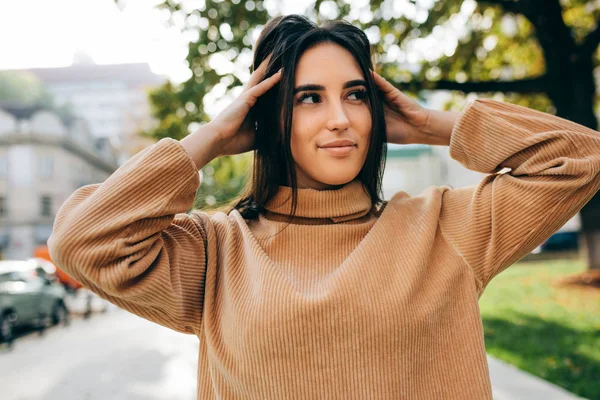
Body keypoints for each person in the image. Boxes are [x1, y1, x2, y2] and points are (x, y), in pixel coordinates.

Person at [47, 14, 600, 400]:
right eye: (309, 98)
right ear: (266, 115)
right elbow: (80, 241)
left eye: (355, 95)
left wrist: (435, 125)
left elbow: (580, 158)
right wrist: (211, 139)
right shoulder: (217, 250)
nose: (340, 117)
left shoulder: (446, 227)